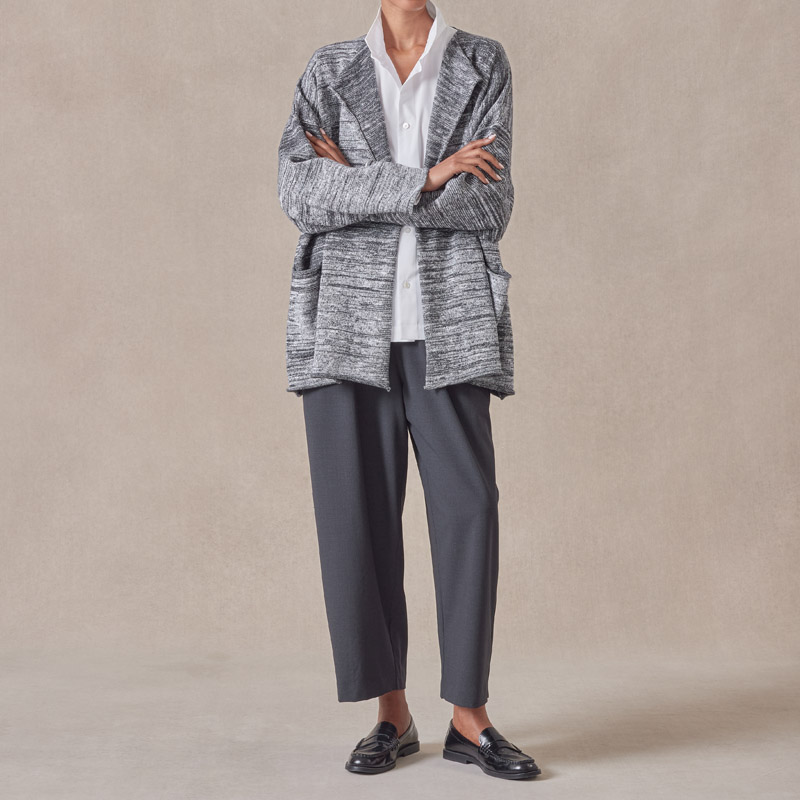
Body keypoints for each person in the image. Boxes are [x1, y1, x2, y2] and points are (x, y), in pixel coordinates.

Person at [278, 0, 541, 781]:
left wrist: (357, 183)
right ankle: (390, 714)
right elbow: (299, 194)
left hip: (449, 325)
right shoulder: (330, 70)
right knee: (355, 521)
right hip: (344, 330)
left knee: (470, 510)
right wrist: (428, 175)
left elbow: (490, 202)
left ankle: (468, 717)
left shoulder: (481, 62)